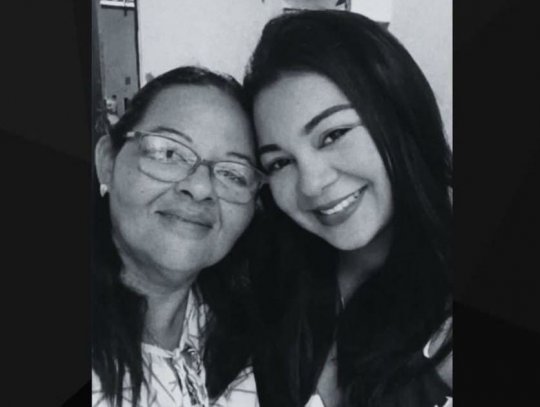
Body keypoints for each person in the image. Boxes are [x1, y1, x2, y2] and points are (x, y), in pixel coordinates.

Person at [244, 10, 452, 407]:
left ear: (399, 113)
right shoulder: (266, 281)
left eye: (333, 134)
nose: (312, 183)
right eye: (280, 162)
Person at [92, 66, 265, 407]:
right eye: (169, 153)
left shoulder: (252, 330)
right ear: (108, 161)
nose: (200, 188)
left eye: (233, 174)